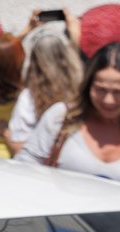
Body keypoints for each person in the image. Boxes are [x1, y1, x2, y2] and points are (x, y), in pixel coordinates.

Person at [17, 42, 120, 191]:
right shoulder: (61, 117)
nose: (108, 100)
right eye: (100, 89)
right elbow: (25, 167)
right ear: (88, 84)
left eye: (119, 92)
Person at [6, 9, 83, 155]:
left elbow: (20, 147)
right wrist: (74, 37)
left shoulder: (29, 98)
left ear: (34, 60)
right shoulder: (82, 91)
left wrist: (28, 29)